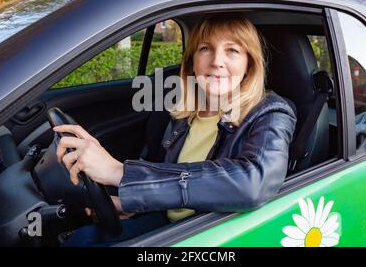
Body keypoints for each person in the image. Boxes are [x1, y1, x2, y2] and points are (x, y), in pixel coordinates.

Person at [54, 13, 297, 246]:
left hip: (206, 232)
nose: (216, 61)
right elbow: (172, 176)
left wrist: (120, 172)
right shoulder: (184, 112)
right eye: (205, 48)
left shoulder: (272, 113)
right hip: (166, 219)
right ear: (192, 60)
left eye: (232, 50)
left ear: (249, 64)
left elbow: (252, 181)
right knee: (82, 239)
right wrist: (131, 203)